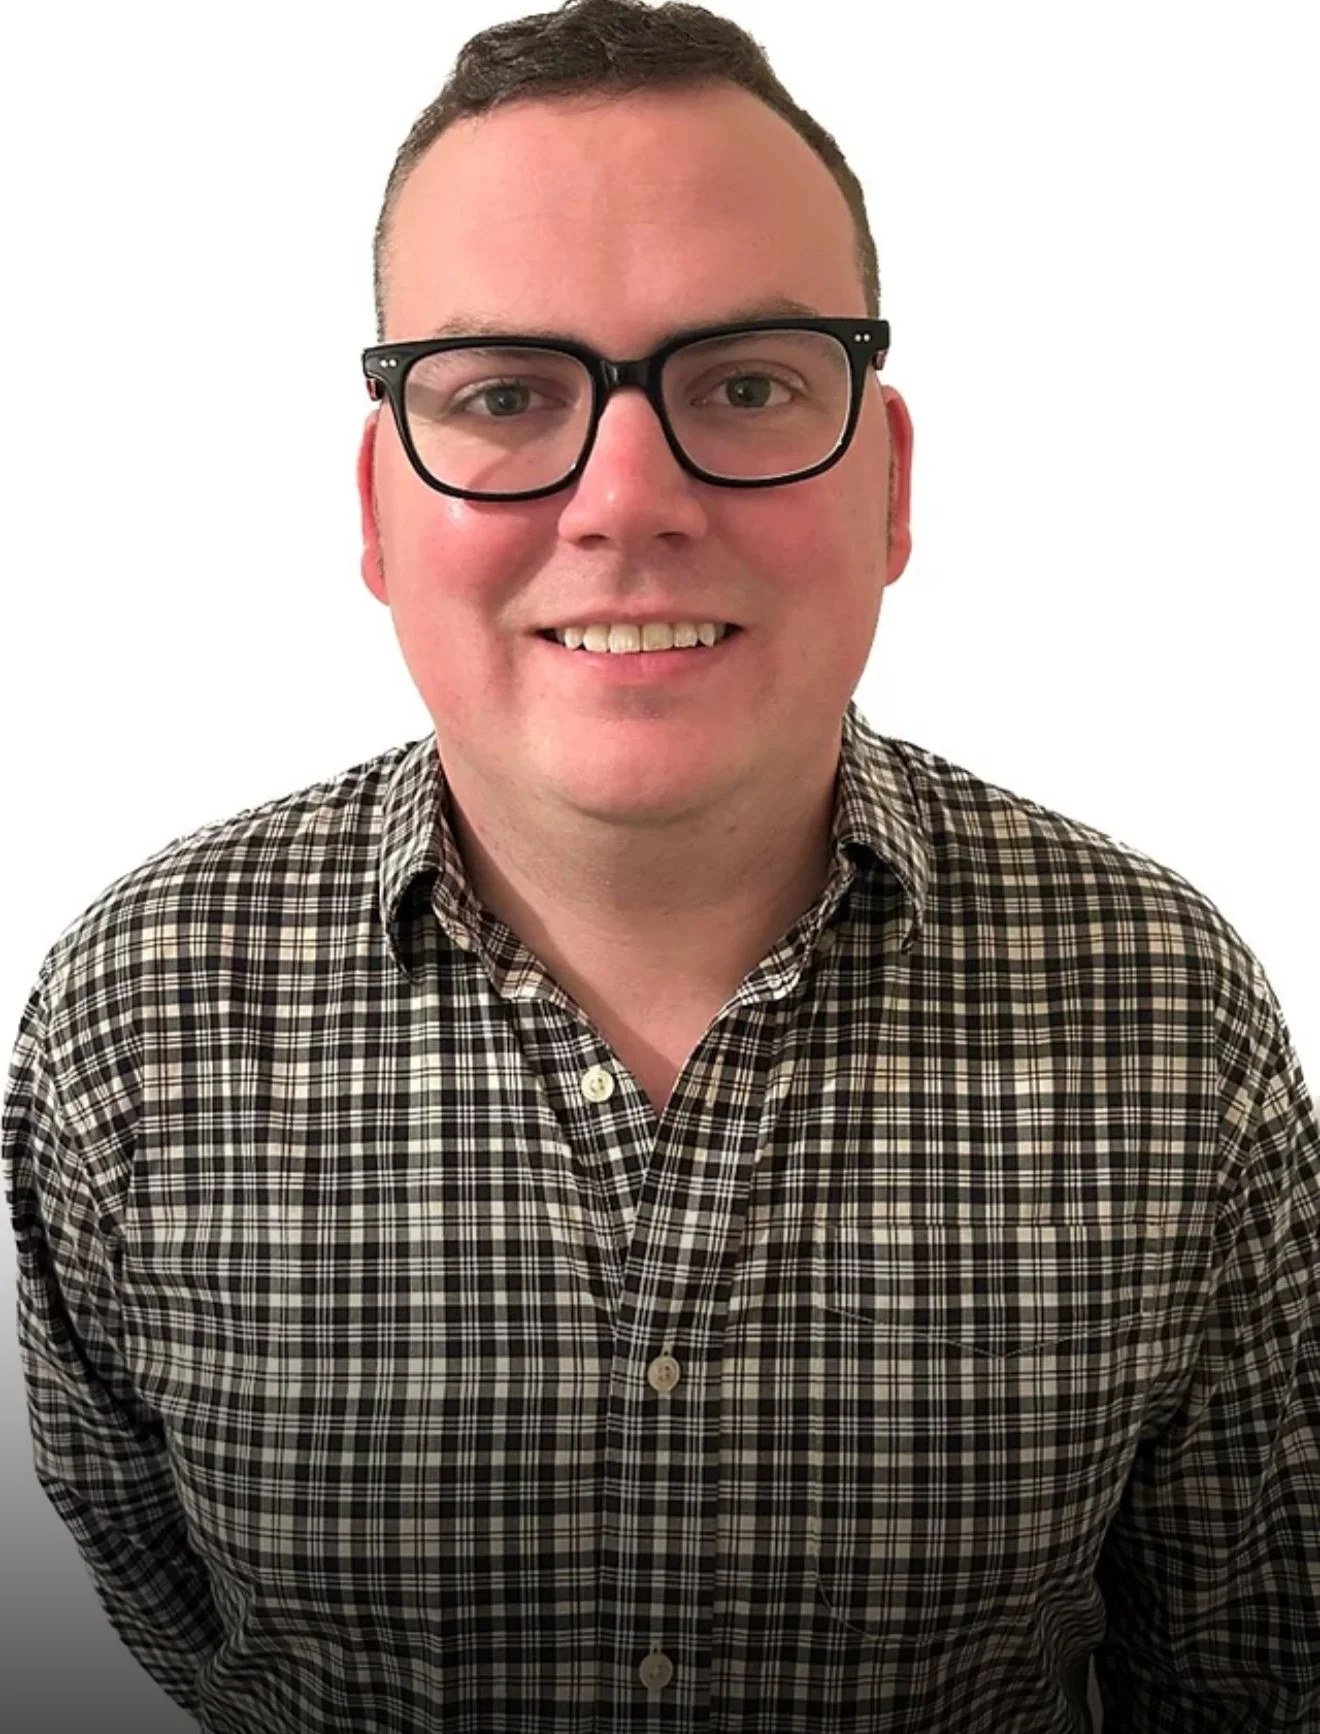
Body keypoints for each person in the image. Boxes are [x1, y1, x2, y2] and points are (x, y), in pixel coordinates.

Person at [4, 0, 1318, 1728]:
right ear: (380, 507)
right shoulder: (134, 1016)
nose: (626, 498)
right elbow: (179, 1619)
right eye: (502, 393)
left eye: (751, 381)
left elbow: (1243, 1676)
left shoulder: (1171, 1012)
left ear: (892, 480)